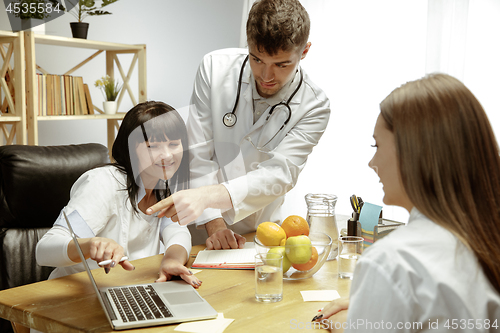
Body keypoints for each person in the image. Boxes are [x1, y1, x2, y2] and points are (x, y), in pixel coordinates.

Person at [313, 73, 500, 332]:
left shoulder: (391, 262)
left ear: (414, 152)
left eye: (376, 145)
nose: (372, 163)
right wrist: (375, 306)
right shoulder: (486, 240)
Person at [147, 0, 331, 249]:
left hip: (262, 230)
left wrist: (207, 196)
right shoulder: (214, 68)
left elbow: (280, 173)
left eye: (281, 64)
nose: (266, 76)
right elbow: (199, 152)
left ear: (304, 51)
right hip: (204, 226)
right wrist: (213, 220)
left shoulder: (314, 105)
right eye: (256, 59)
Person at [36, 101, 201, 289]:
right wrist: (90, 245)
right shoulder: (103, 183)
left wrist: (172, 260)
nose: (167, 156)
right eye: (152, 146)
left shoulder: (163, 183)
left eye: (173, 144)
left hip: (130, 289)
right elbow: (44, 250)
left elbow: (177, 230)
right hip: (74, 295)